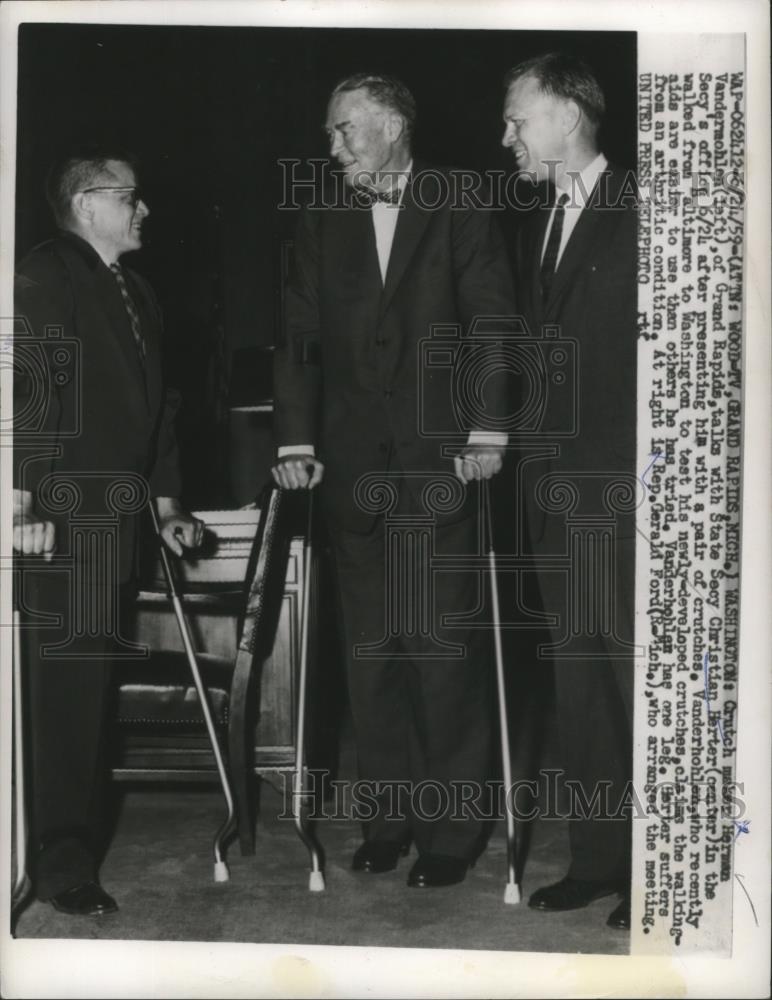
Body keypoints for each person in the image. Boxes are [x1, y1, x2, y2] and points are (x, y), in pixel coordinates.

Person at [273, 74, 517, 888]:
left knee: (440, 650)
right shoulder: (322, 214)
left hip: (440, 461)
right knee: (371, 653)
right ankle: (388, 821)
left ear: (392, 126)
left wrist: (487, 426)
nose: (333, 147)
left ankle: (453, 834)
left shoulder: (459, 199)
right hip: (350, 466)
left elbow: (490, 319)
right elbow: (300, 333)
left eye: (344, 131)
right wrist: (297, 437)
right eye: (332, 133)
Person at [12, 148, 203, 916]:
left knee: (90, 692)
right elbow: (27, 379)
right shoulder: (50, 268)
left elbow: (159, 413)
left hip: (115, 521)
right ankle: (60, 866)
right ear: (88, 204)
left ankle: (73, 848)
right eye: (131, 198)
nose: (144, 210)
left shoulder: (140, 294)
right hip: (60, 515)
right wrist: (19, 501)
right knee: (63, 698)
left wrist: (168, 507)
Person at [502, 52, 637, 929]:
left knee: (635, 676)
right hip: (555, 493)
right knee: (582, 679)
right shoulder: (537, 221)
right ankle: (600, 858)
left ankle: (665, 868)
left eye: (516, 119)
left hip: (626, 491)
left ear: (565, 115)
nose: (505, 136)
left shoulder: (648, 206)